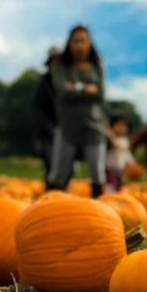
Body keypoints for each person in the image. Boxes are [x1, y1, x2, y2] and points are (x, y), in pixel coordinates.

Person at [47, 25, 107, 197]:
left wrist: (75, 87)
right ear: (69, 43)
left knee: (97, 171)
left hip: (93, 126)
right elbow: (63, 90)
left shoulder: (97, 65)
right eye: (76, 41)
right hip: (67, 126)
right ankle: (49, 210)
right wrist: (87, 89)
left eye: (83, 41)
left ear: (89, 43)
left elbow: (101, 93)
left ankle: (100, 213)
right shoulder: (61, 65)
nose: (80, 45)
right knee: (59, 171)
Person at [31, 48, 60, 185]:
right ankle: (51, 192)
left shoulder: (66, 81)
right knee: (51, 165)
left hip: (66, 131)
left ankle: (62, 194)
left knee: (66, 166)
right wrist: (48, 128)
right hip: (48, 132)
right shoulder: (44, 83)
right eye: (53, 62)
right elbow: (37, 109)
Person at [105, 115, 135, 194]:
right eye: (118, 125)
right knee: (110, 187)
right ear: (112, 126)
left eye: (124, 126)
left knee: (119, 186)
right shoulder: (107, 142)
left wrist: (132, 163)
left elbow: (123, 151)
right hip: (109, 169)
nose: (121, 127)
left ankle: (116, 198)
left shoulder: (124, 140)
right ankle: (110, 198)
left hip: (120, 169)